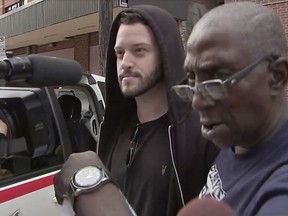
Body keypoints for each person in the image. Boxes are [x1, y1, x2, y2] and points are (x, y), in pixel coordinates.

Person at [54, 5, 219, 216]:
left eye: (139, 51)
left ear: (166, 56)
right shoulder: (115, 131)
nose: (125, 63)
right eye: (120, 53)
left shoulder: (200, 134)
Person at [173, 2, 288, 215]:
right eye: (191, 79)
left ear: (276, 75)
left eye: (219, 78)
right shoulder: (240, 138)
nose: (197, 101)